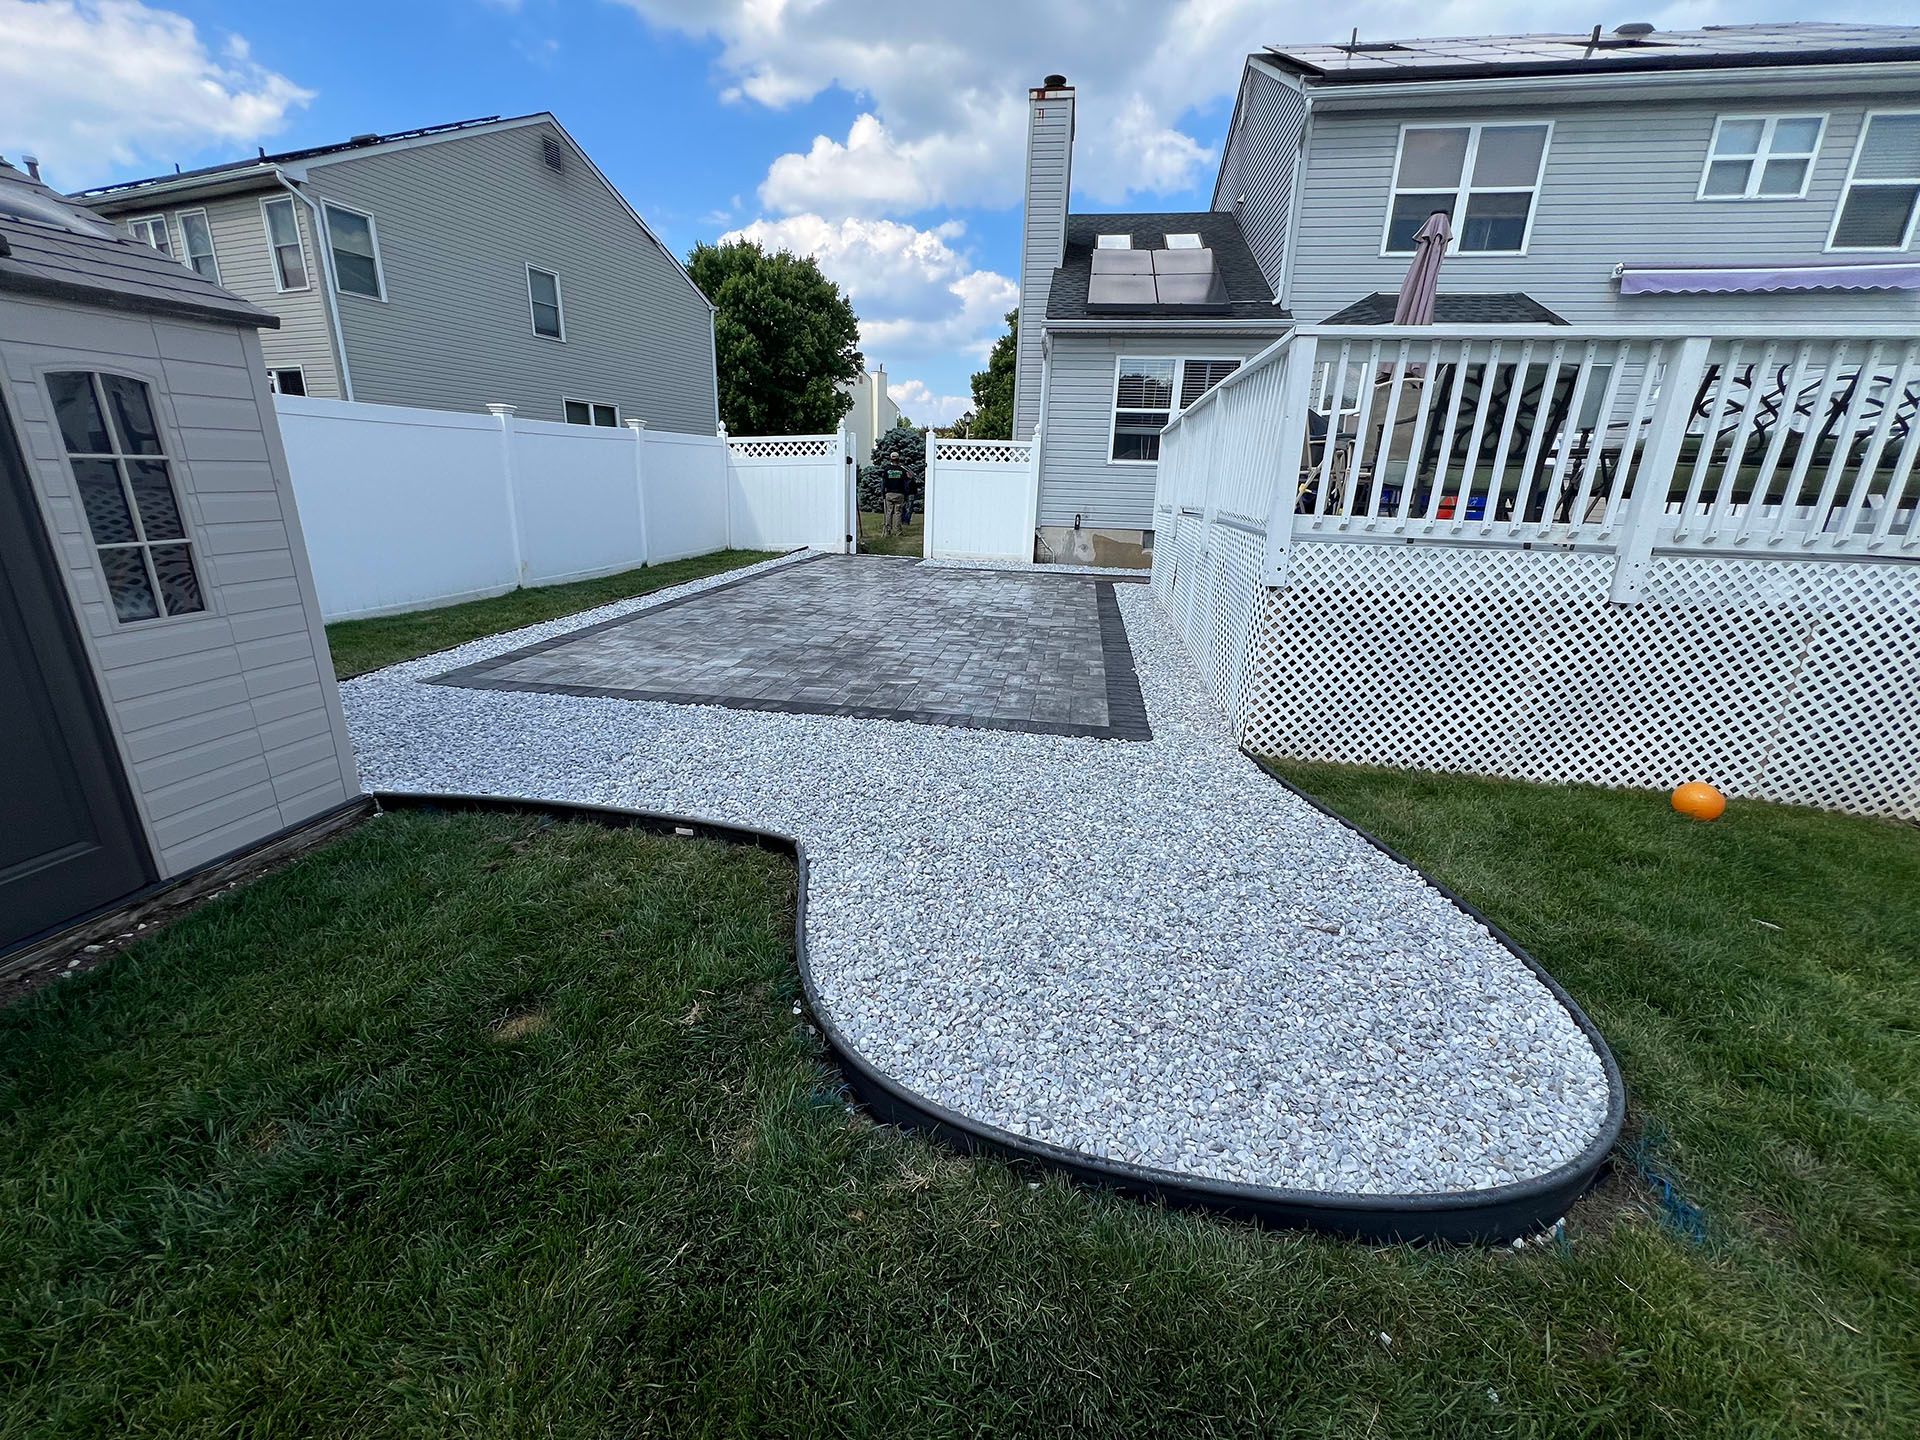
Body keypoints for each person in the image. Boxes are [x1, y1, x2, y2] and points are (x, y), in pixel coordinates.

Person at [881, 466, 908, 538]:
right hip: (899, 494)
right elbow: (905, 483)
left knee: (889, 512)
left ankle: (888, 532)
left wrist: (883, 493)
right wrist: (905, 493)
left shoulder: (887, 469)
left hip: (889, 494)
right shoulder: (902, 470)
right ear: (898, 459)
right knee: (898, 513)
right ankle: (898, 532)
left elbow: (883, 482)